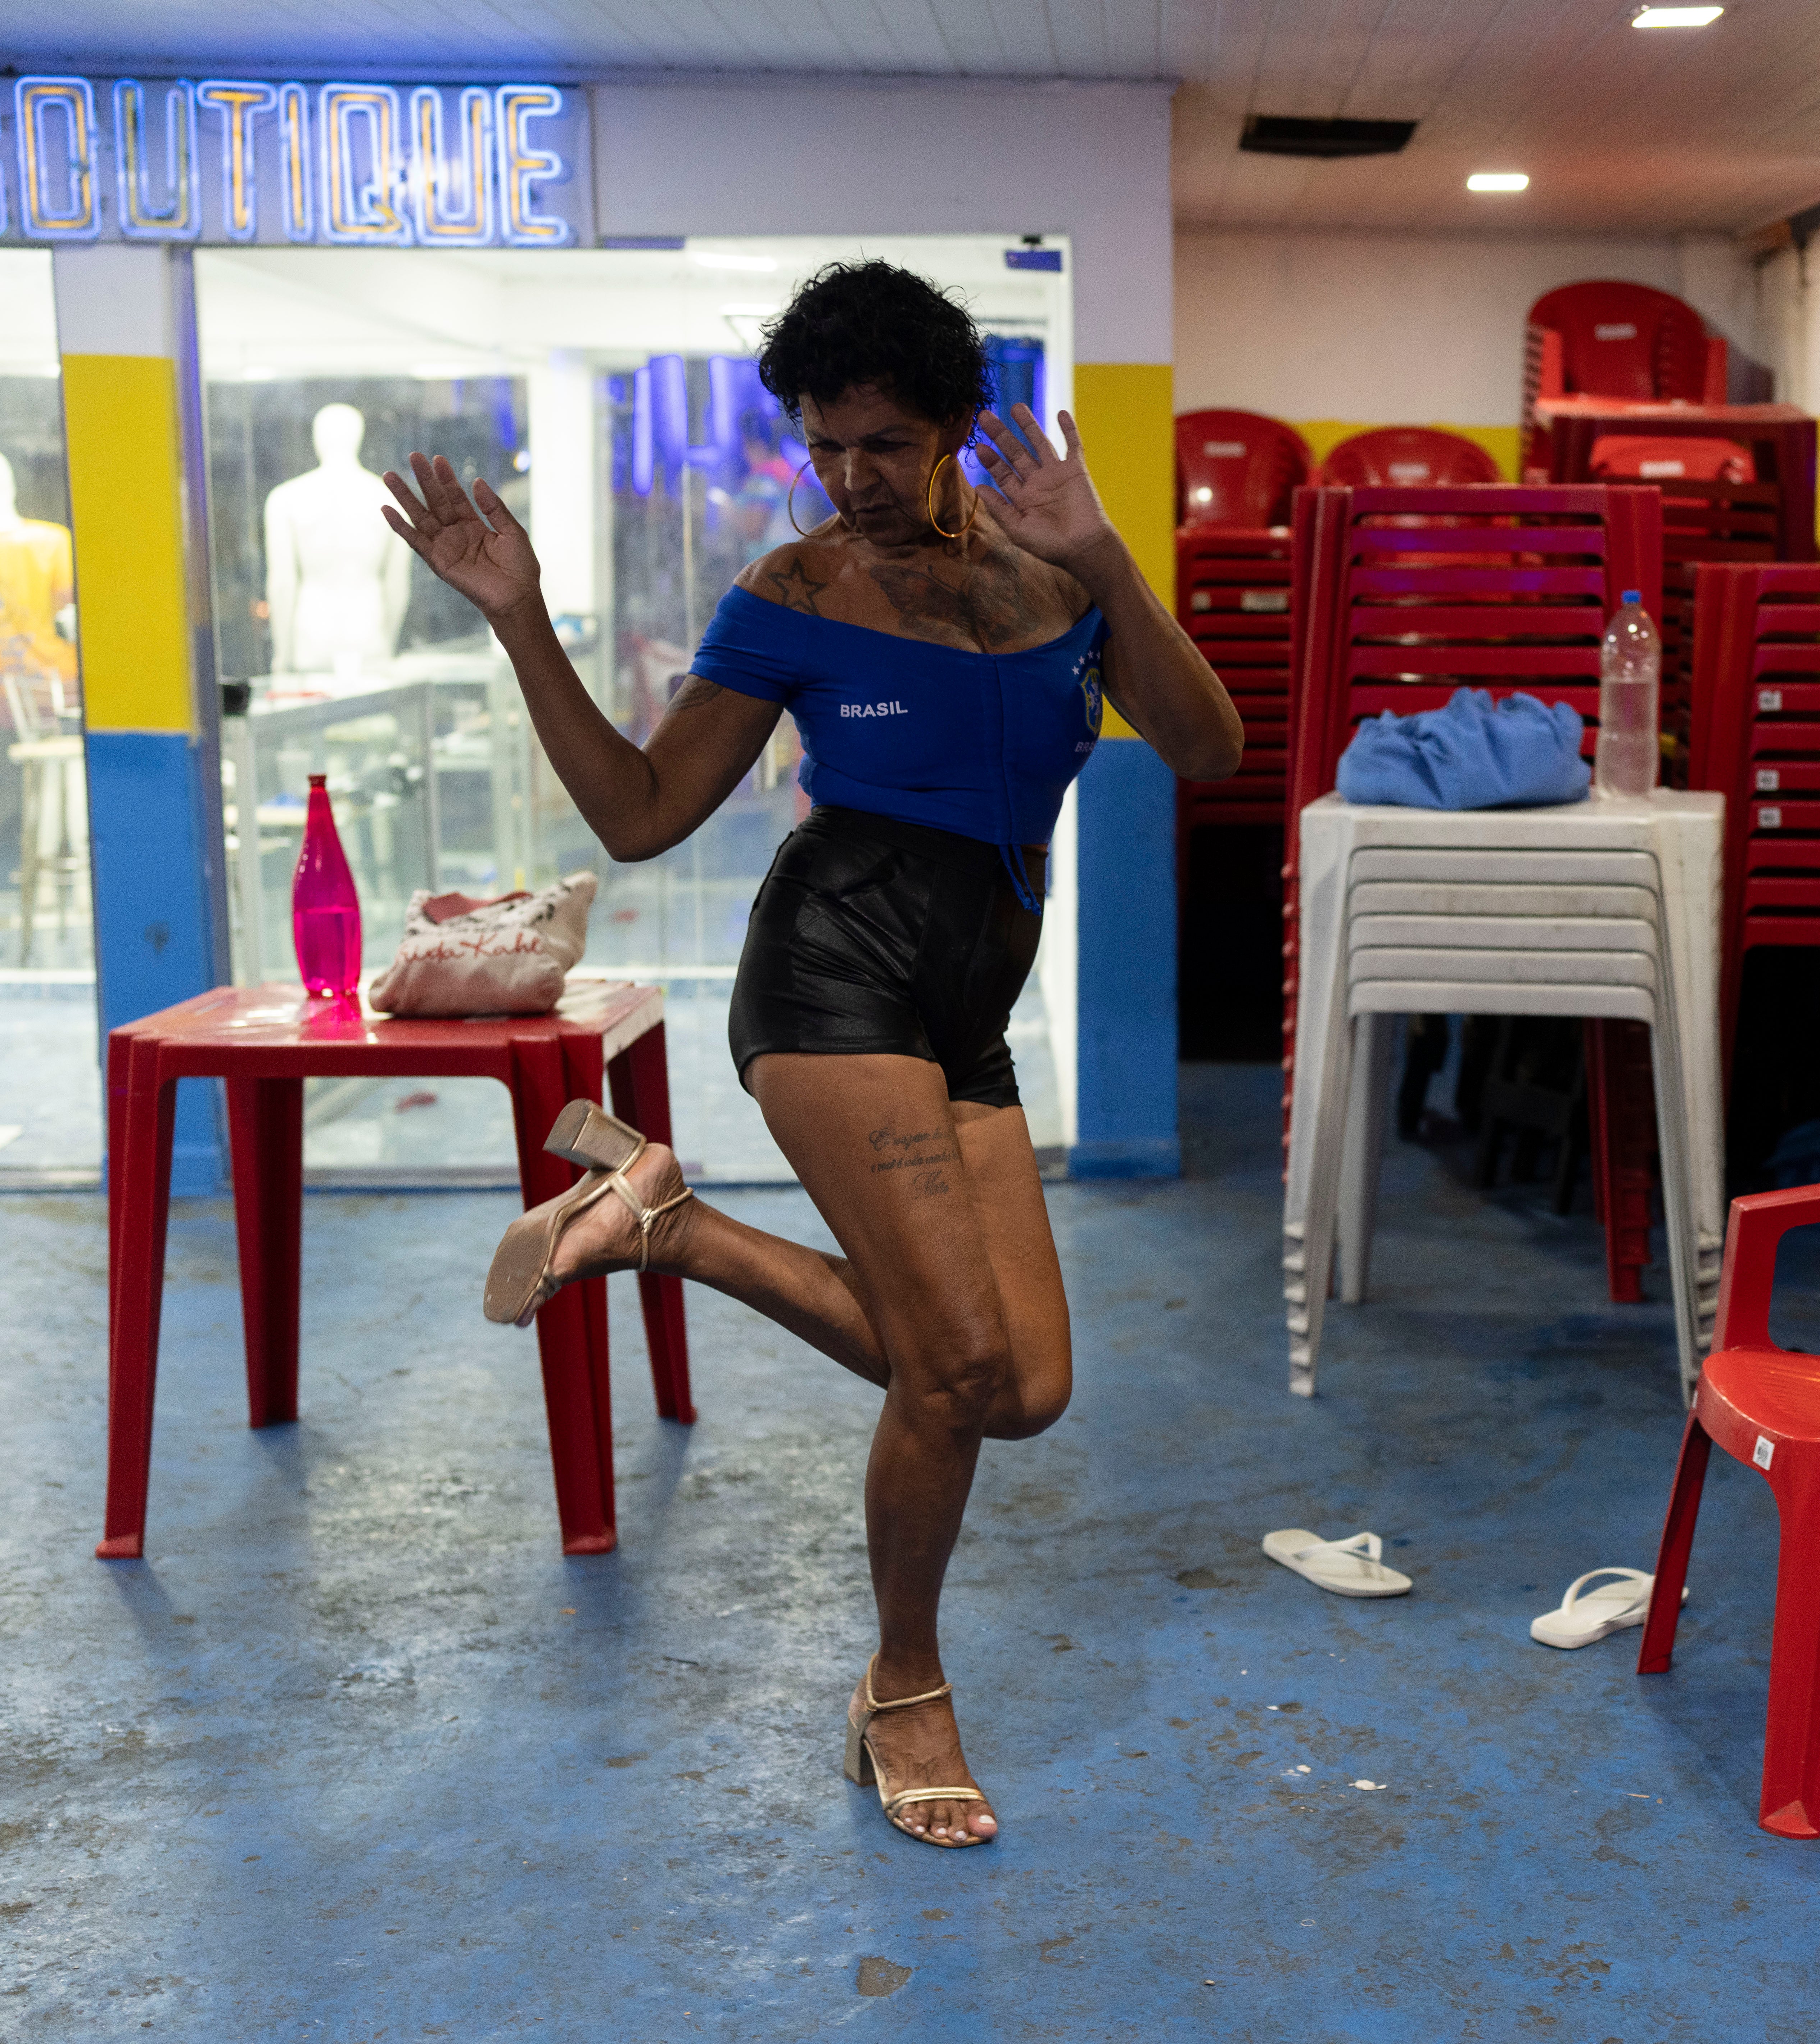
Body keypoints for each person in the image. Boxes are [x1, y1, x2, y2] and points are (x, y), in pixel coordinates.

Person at [377, 261, 1239, 1848]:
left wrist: (1112, 560)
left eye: (887, 445)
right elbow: (639, 816)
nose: (853, 480)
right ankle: (904, 1685)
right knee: (957, 1368)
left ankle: (666, 1222)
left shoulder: (1058, 581)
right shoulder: (792, 594)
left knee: (1025, 1386)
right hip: (829, 975)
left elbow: (1209, 750)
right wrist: (522, 625)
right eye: (824, 445)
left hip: (965, 1010)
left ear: (960, 431)